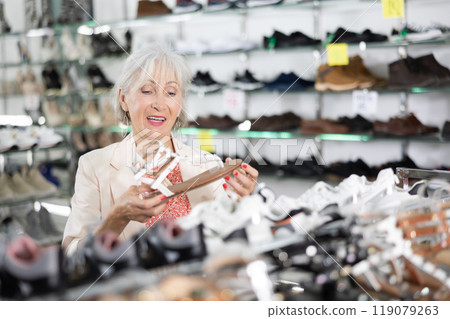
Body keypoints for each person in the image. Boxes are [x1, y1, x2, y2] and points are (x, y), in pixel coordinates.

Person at [62, 44, 259, 255]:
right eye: (147, 91)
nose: (160, 103)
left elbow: (230, 242)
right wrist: (116, 218)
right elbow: (72, 255)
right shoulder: (93, 166)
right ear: (123, 99)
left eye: (171, 92)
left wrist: (241, 201)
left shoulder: (207, 165)